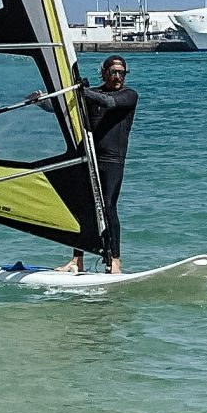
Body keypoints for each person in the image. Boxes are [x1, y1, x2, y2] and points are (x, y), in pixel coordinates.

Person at [68, 54, 137, 274]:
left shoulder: (129, 95)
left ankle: (115, 261)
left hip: (112, 161)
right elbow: (65, 107)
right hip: (88, 157)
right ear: (104, 72)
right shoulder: (90, 93)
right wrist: (42, 100)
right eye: (114, 72)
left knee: (108, 207)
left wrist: (80, 90)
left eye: (122, 73)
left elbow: (108, 102)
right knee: (81, 207)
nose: (118, 77)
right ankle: (76, 260)